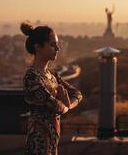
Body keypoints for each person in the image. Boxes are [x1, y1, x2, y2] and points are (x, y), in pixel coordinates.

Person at [20, 22, 83, 155]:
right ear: (38, 47)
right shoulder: (31, 77)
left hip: (53, 138)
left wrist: (67, 105)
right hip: (39, 141)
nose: (57, 49)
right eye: (52, 44)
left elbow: (77, 94)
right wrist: (66, 105)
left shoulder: (51, 74)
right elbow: (56, 106)